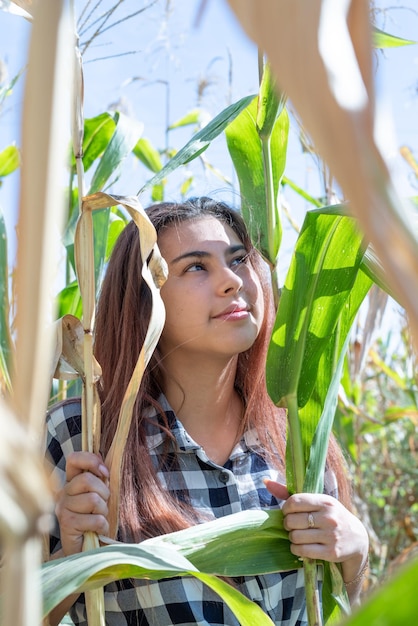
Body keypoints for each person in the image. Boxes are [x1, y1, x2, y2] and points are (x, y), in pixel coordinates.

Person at [45, 197, 369, 626]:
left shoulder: (297, 435)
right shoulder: (81, 434)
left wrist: (356, 556)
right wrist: (68, 555)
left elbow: (339, 610)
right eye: (196, 267)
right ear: (145, 298)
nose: (232, 280)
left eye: (238, 259)